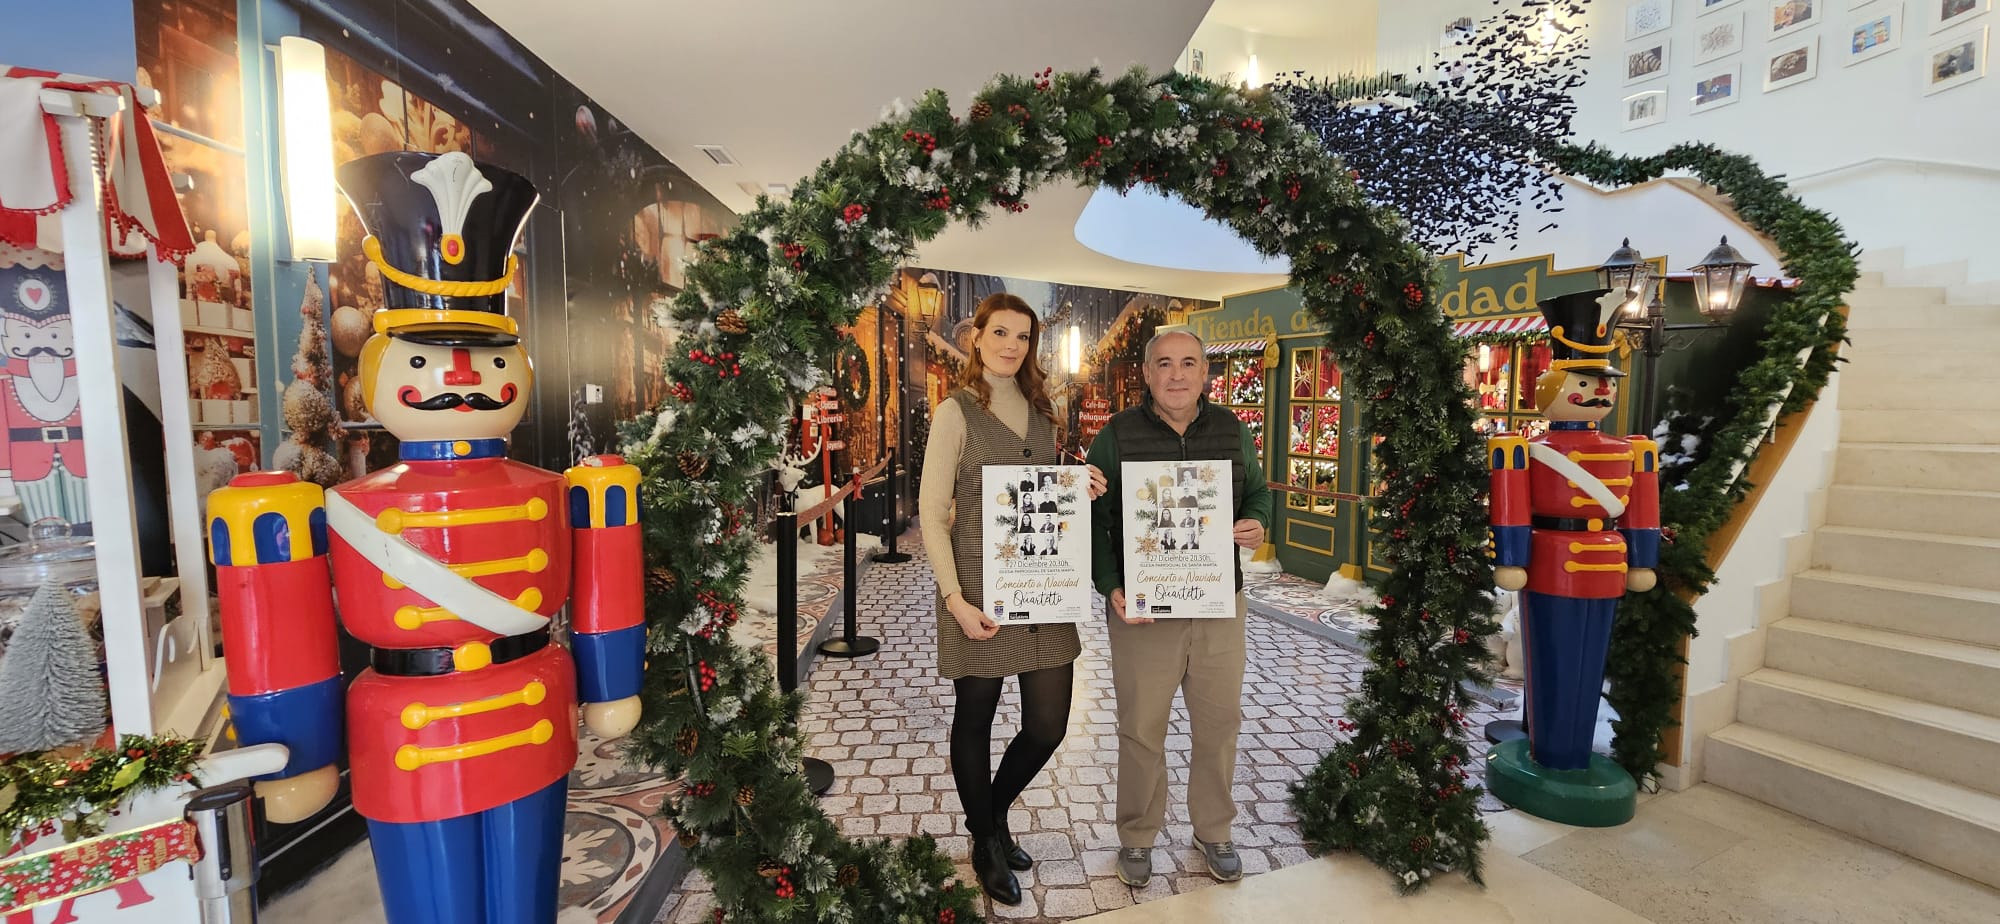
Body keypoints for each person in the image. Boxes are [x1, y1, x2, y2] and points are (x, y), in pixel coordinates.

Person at [920, 293, 1106, 905]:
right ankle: (984, 840)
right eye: (999, 332)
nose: (1010, 345)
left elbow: (1041, 497)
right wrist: (954, 599)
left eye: (1022, 337)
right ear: (976, 337)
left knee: (1047, 724)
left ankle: (992, 817)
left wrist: (1080, 487)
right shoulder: (955, 413)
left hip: (1042, 590)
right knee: (974, 718)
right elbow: (930, 512)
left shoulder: (1043, 412)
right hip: (978, 594)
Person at [1088, 329, 1271, 888]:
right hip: (1143, 611)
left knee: (1219, 723)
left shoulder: (1234, 431)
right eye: (1164, 364)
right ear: (1146, 373)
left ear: (1205, 374)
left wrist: (1258, 524)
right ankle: (1138, 836)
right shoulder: (1115, 435)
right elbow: (1095, 515)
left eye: (1188, 363)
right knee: (1142, 727)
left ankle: (1213, 829)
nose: (1176, 375)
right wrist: (1110, 584)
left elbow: (1259, 494)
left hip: (1219, 605)